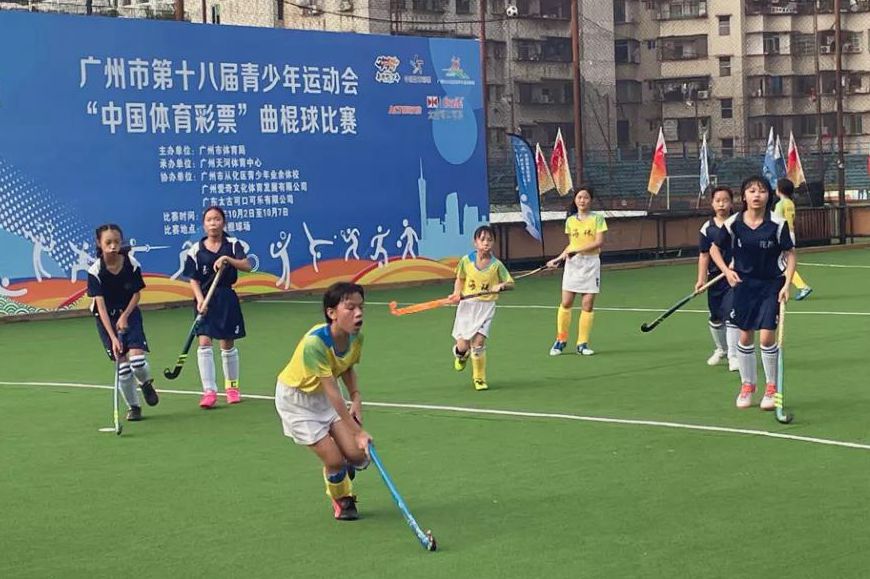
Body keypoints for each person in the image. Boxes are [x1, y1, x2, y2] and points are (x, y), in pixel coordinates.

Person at [274, 282, 371, 521]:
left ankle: (345, 461)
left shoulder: (356, 337)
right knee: (335, 461)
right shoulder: (315, 343)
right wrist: (357, 431)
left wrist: (356, 397)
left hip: (323, 396)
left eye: (361, 307)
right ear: (331, 313)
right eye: (350, 308)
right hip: (297, 402)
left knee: (359, 456)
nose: (358, 313)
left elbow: (347, 366)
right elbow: (334, 393)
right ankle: (342, 500)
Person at [709, 176, 796, 410]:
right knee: (745, 336)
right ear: (744, 196)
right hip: (744, 285)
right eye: (751, 191)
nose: (757, 195)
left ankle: (771, 388)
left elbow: (790, 254)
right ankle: (747, 385)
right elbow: (714, 249)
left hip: (771, 284)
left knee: (767, 337)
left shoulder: (777, 224)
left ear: (769, 196)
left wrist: (787, 284)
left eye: (762, 191)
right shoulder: (734, 223)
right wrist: (727, 271)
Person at [87, 224, 159, 421]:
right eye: (108, 242)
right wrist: (113, 338)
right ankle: (134, 407)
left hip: (129, 313)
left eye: (116, 242)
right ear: (99, 243)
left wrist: (125, 316)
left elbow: (136, 294)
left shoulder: (131, 264)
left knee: (137, 362)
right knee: (124, 368)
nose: (113, 246)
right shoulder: (95, 271)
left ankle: (145, 383)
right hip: (107, 319)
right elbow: (101, 308)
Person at [183, 206, 252, 409]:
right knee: (204, 342)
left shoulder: (233, 244)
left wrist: (227, 259)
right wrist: (199, 300)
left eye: (217, 219)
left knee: (227, 344)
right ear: (204, 225)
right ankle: (209, 391)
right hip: (204, 300)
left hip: (226, 297)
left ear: (224, 222)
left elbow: (247, 265)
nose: (213, 223)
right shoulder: (195, 250)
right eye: (209, 220)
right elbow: (193, 278)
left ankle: (232, 388)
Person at [450, 225, 514, 391]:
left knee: (478, 342)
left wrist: (501, 286)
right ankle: (461, 355)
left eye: (490, 240)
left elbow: (510, 283)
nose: (486, 243)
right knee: (463, 346)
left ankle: (479, 378)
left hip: (486, 307)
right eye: (482, 239)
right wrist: (456, 293)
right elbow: (460, 279)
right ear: (475, 242)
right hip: (467, 306)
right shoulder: (466, 261)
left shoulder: (496, 265)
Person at [547, 186, 608, 356]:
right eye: (579, 197)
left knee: (587, 305)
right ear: (575, 200)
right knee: (566, 302)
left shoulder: (598, 219)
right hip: (573, 264)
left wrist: (577, 250)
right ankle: (561, 340)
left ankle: (582, 344)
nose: (582, 200)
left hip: (591, 264)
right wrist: (558, 259)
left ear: (591, 200)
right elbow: (571, 245)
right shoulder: (570, 221)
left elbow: (598, 242)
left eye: (586, 197)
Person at [696, 186, 740, 371]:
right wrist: (701, 279)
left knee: (731, 315)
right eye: (718, 201)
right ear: (712, 204)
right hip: (715, 278)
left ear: (732, 202)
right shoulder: (707, 228)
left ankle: (733, 356)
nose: (721, 204)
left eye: (725, 200)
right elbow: (704, 255)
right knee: (715, 317)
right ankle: (722, 349)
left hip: (735, 277)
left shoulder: (739, 223)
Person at [774, 178, 813, 300]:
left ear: (779, 190)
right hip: (791, 233)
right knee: (784, 263)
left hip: (782, 234)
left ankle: (802, 286)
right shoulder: (791, 203)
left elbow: (776, 221)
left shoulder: (780, 204)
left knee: (783, 264)